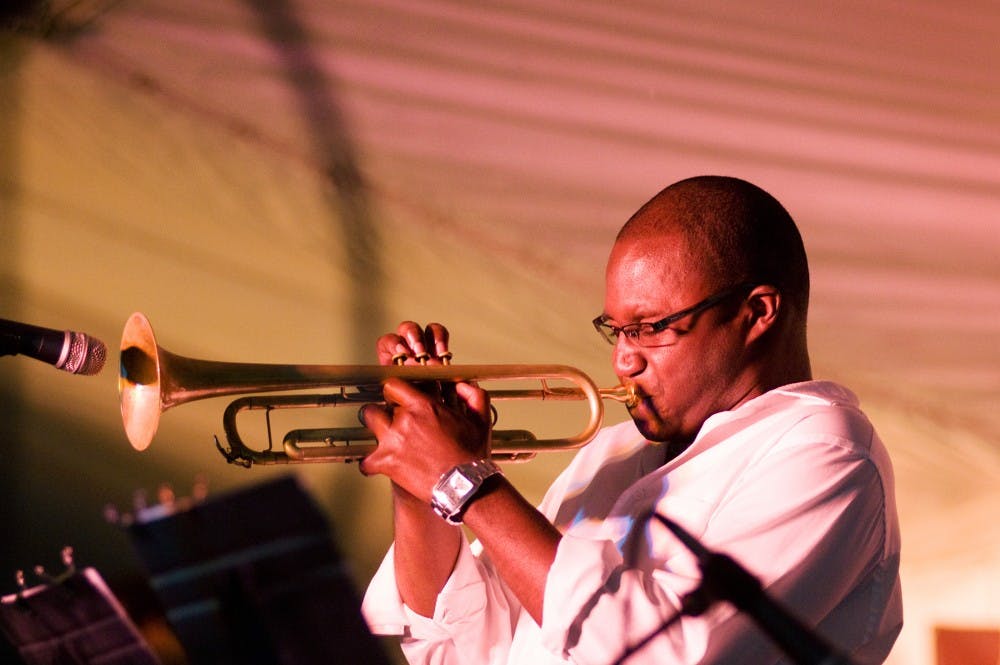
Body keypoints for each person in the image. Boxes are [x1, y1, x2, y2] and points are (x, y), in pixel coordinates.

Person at [359, 175, 903, 664]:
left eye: (650, 327)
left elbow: (665, 655)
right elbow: (467, 649)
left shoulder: (826, 452)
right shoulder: (612, 450)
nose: (624, 358)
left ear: (757, 313)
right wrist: (420, 474)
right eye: (615, 329)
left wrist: (465, 483)